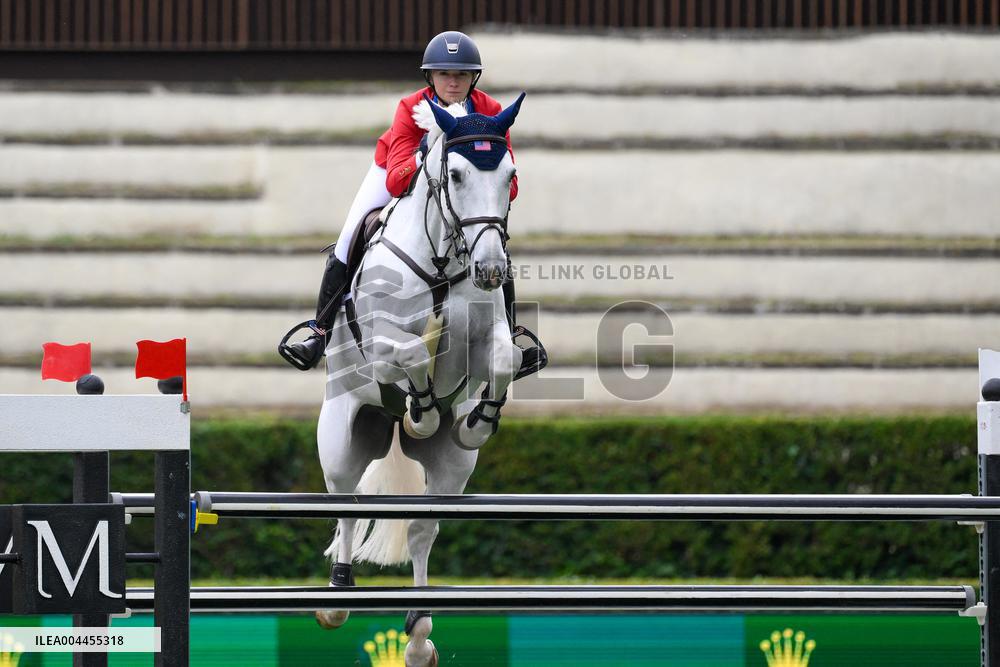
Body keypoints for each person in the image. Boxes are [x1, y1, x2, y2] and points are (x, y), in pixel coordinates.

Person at [281, 30, 542, 379]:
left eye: (462, 74)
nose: (453, 82)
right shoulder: (410, 107)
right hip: (395, 168)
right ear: (430, 76)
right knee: (350, 232)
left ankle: (510, 333)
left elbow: (510, 186)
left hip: (465, 190)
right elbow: (396, 181)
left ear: (473, 77)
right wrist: (426, 155)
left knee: (495, 248)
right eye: (445, 74)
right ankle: (320, 330)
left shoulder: (491, 112)